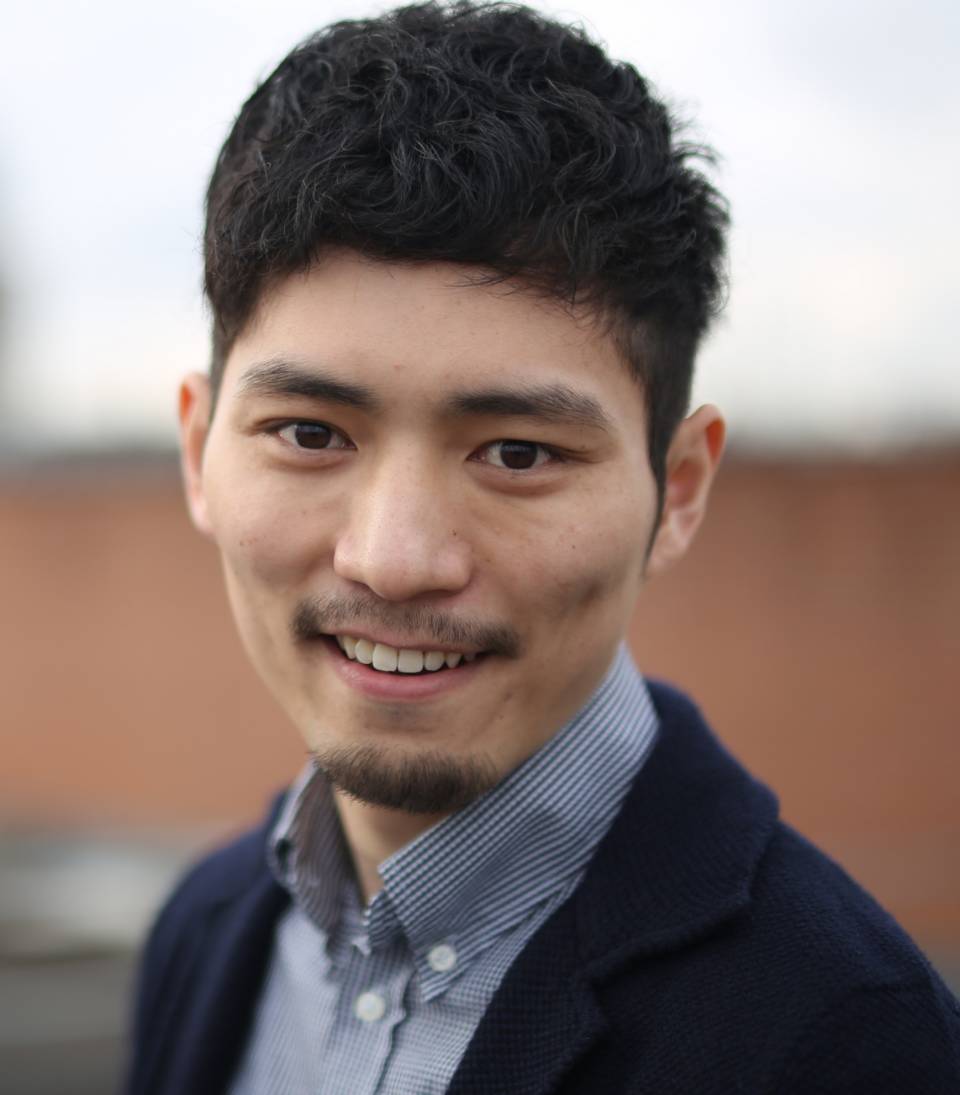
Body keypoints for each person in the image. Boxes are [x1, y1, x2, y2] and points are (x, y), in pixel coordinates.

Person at [124, 3, 960, 1092]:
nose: (394, 559)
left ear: (679, 489)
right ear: (199, 450)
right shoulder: (203, 932)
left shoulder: (849, 1042)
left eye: (517, 453)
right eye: (311, 435)